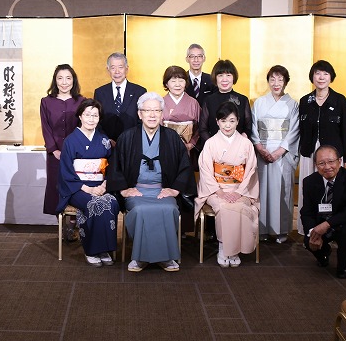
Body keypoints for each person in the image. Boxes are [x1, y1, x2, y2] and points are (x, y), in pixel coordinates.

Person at [107, 92, 193, 272]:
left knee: (169, 208)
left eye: (157, 111)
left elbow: (185, 166)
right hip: (137, 190)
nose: (152, 115)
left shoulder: (172, 137)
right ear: (140, 114)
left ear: (162, 114)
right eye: (147, 111)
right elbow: (115, 166)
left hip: (162, 190)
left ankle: (166, 258)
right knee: (140, 210)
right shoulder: (127, 137)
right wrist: (124, 190)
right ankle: (140, 258)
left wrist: (175, 190)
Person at [195, 101, 259, 268]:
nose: (227, 125)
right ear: (217, 122)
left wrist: (239, 192)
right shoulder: (210, 143)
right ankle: (224, 248)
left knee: (241, 206)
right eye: (223, 121)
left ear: (238, 121)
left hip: (241, 189)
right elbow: (205, 170)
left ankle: (235, 250)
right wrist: (220, 192)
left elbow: (251, 170)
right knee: (224, 207)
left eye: (232, 121)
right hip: (216, 190)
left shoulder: (246, 144)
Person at [57, 98, 119, 266]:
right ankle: (92, 250)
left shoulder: (104, 140)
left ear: (99, 118)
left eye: (95, 115)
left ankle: (104, 249)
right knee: (94, 204)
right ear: (80, 116)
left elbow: (112, 167)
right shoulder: (70, 140)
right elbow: (66, 171)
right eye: (87, 115)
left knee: (111, 202)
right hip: (77, 188)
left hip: (101, 185)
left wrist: (104, 185)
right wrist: (88, 189)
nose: (91, 119)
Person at [296, 60, 346, 236]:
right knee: (309, 189)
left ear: (331, 77)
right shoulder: (305, 101)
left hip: (332, 155)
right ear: (312, 76)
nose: (321, 77)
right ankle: (308, 228)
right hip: (309, 152)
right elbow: (300, 130)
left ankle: (331, 229)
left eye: (325, 74)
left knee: (332, 190)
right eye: (318, 73)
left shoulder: (340, 100)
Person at [252, 65, 300, 243]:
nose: (276, 83)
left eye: (280, 79)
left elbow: (294, 130)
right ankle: (263, 229)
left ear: (286, 82)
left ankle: (281, 230)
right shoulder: (259, 103)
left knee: (282, 190)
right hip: (263, 150)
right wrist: (259, 148)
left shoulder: (292, 104)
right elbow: (253, 127)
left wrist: (280, 151)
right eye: (272, 79)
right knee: (262, 190)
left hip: (283, 152)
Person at [301, 145, 346, 279]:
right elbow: (306, 212)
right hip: (321, 221)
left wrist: (327, 224)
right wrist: (313, 232)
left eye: (331, 162)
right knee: (308, 239)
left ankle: (343, 265)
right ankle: (323, 254)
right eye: (321, 163)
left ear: (339, 162)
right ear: (316, 165)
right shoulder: (309, 182)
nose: (327, 167)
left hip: (343, 222)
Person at [40, 64, 85, 223]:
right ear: (55, 80)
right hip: (55, 154)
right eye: (60, 78)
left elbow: (84, 127)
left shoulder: (82, 101)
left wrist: (77, 150)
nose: (64, 82)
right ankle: (62, 224)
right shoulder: (46, 102)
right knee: (56, 186)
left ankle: (74, 223)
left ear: (73, 80)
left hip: (77, 153)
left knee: (77, 184)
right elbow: (45, 128)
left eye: (68, 78)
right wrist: (54, 150)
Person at [93, 52, 147, 143]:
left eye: (120, 67)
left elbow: (143, 120)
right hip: (106, 144)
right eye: (113, 68)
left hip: (132, 142)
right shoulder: (100, 92)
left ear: (127, 69)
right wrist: (106, 140)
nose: (117, 71)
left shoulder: (139, 92)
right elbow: (96, 120)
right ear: (108, 70)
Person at [198, 59, 252, 149]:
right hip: (214, 148)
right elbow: (203, 129)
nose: (224, 79)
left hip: (238, 147)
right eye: (220, 75)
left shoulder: (243, 99)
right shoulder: (208, 100)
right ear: (215, 78)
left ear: (234, 77)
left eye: (228, 75)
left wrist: (240, 141)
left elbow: (248, 127)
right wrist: (213, 144)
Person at [161, 65, 200, 154]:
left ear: (186, 82)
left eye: (181, 80)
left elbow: (200, 127)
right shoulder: (161, 103)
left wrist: (192, 143)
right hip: (166, 147)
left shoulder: (193, 103)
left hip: (188, 148)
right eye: (173, 81)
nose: (177, 84)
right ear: (166, 84)